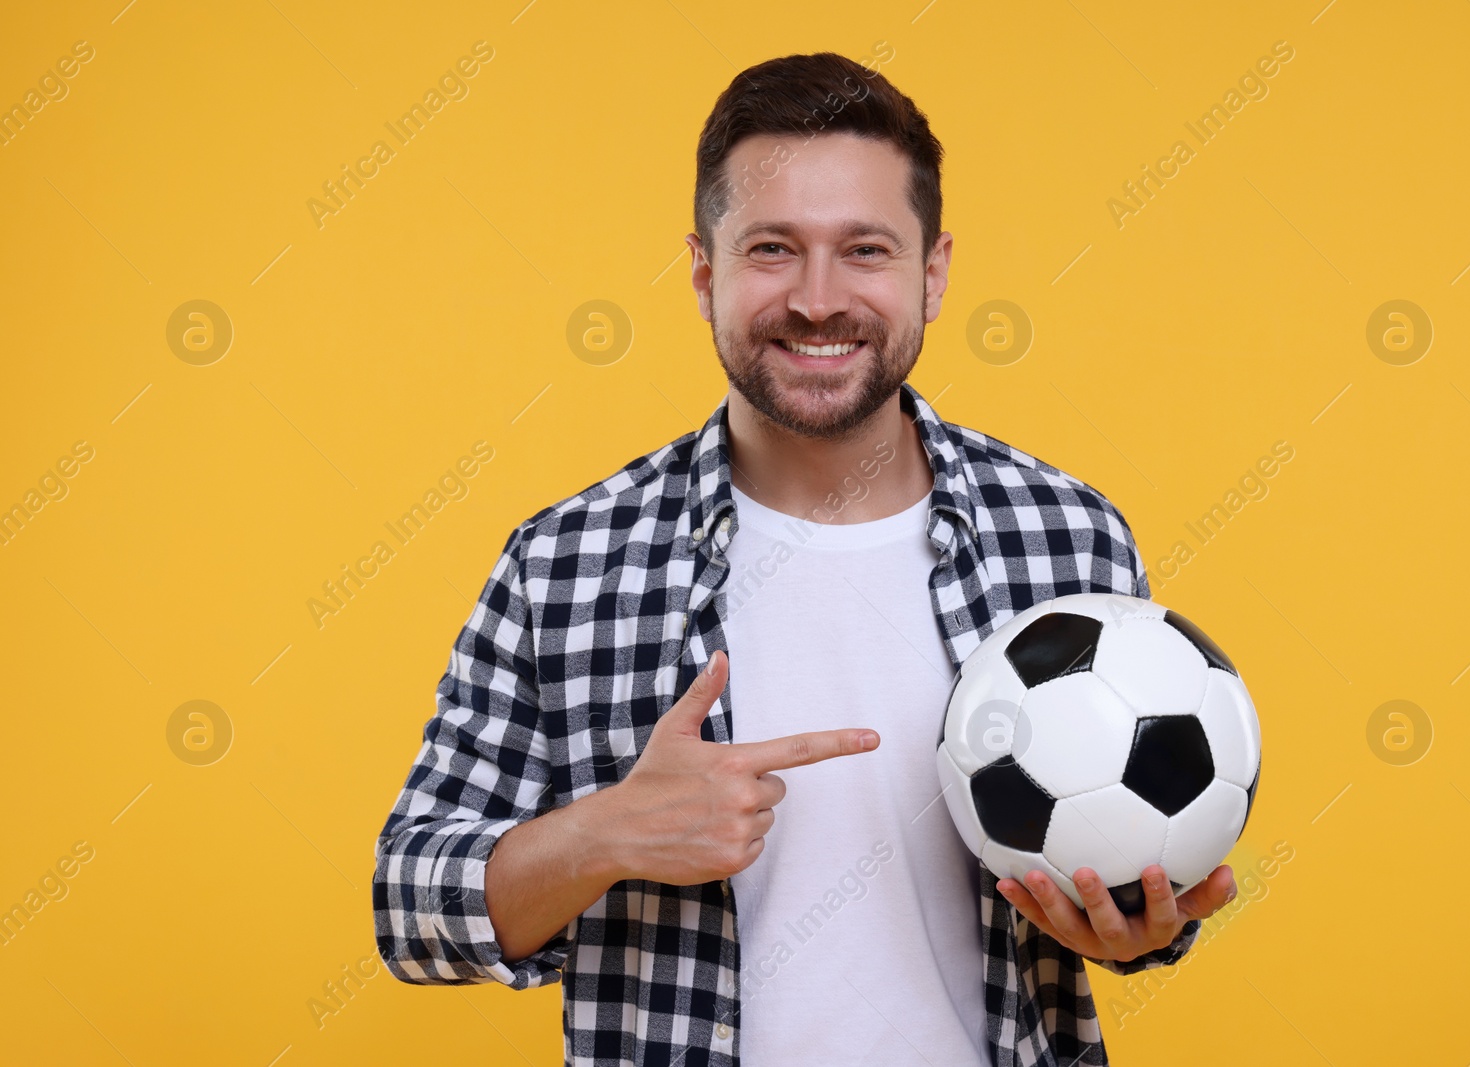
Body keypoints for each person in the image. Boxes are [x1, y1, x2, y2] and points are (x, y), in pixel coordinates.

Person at [372, 50, 1238, 1067]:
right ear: (704, 272)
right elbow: (408, 906)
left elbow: (1148, 865)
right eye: (773, 248)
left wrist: (1147, 924)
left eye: (864, 249)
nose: (818, 300)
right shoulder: (567, 559)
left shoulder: (1067, 534)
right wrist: (604, 831)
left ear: (934, 270)